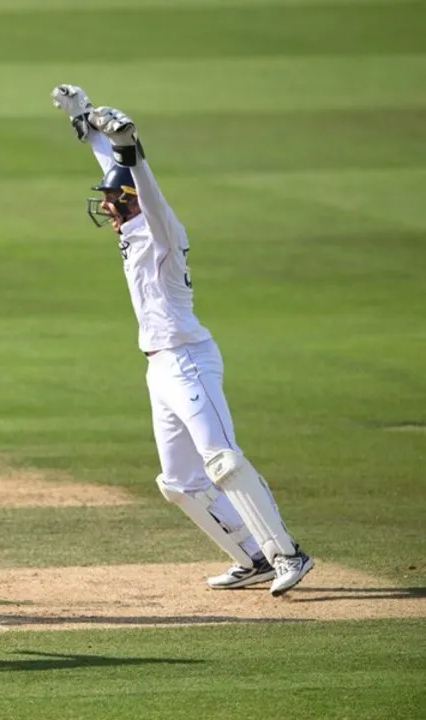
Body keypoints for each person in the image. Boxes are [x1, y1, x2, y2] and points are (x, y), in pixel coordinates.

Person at [51, 84, 314, 596]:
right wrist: (86, 122)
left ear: (131, 203)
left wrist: (133, 151)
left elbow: (146, 190)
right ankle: (252, 557)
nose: (106, 209)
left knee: (222, 460)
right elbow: (121, 175)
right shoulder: (131, 233)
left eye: (112, 202)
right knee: (178, 484)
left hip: (190, 360)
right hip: (158, 366)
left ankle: (288, 554)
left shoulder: (164, 233)